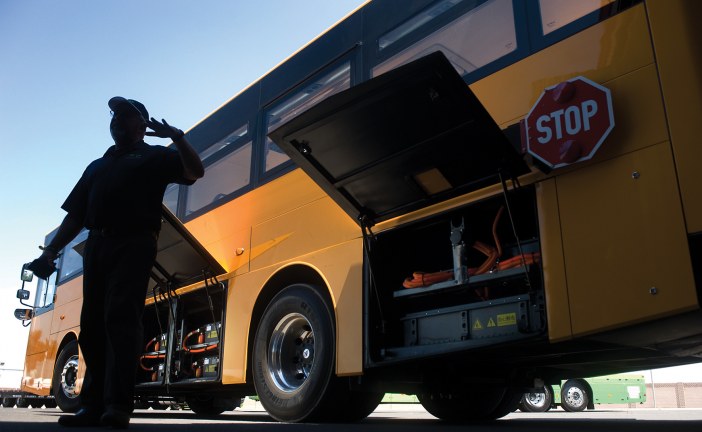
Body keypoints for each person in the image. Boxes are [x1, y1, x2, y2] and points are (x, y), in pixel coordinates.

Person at [33, 97, 204, 429]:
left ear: (142, 125)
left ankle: (117, 406)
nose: (117, 121)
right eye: (114, 116)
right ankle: (91, 405)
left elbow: (194, 171)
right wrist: (49, 251)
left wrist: (177, 137)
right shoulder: (97, 166)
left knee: (120, 321)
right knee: (92, 326)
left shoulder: (155, 155)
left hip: (134, 242)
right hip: (97, 245)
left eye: (126, 116)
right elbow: (76, 217)